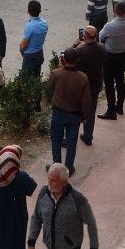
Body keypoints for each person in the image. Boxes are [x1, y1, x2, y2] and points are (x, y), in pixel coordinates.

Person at [27, 163, 99, 249]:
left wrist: (93, 248)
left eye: (54, 180)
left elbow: (91, 222)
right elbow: (36, 218)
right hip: (51, 245)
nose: (49, 183)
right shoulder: (44, 193)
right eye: (49, 179)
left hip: (70, 248)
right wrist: (31, 243)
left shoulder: (77, 198)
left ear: (65, 182)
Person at [47, 47, 89, 176]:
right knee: (71, 142)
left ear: (63, 59)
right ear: (77, 60)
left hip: (58, 112)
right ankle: (69, 168)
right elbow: (86, 100)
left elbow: (49, 90)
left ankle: (56, 167)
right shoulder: (83, 78)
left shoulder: (56, 73)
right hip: (74, 115)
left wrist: (51, 101)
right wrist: (85, 116)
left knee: (56, 140)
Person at [97, 1, 125, 120]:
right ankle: (120, 107)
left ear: (115, 11)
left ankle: (111, 110)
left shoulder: (110, 26)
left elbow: (100, 37)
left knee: (109, 84)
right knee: (120, 81)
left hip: (110, 56)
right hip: (122, 55)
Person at [72, 26, 107, 146]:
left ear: (84, 36)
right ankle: (88, 136)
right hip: (95, 86)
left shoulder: (80, 51)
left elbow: (69, 59)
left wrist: (75, 45)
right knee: (90, 113)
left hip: (81, 87)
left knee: (75, 112)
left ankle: (70, 138)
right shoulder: (102, 48)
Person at [19, 0, 48, 82]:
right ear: (40, 11)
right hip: (39, 53)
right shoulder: (44, 23)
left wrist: (21, 50)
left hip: (30, 56)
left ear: (28, 11)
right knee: (36, 77)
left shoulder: (29, 26)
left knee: (25, 80)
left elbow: (24, 44)